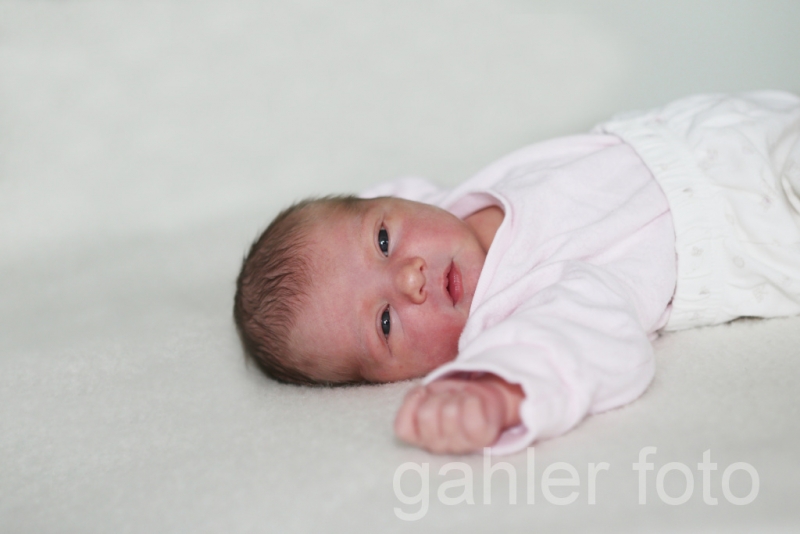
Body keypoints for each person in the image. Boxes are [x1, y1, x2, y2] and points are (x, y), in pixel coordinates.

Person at [234, 91, 800, 455]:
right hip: (756, 220)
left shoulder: (446, 204)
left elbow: (363, 212)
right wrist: (496, 391)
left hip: (712, 127)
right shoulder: (513, 311)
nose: (408, 279)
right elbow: (571, 343)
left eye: (384, 241)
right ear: (392, 379)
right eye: (385, 322)